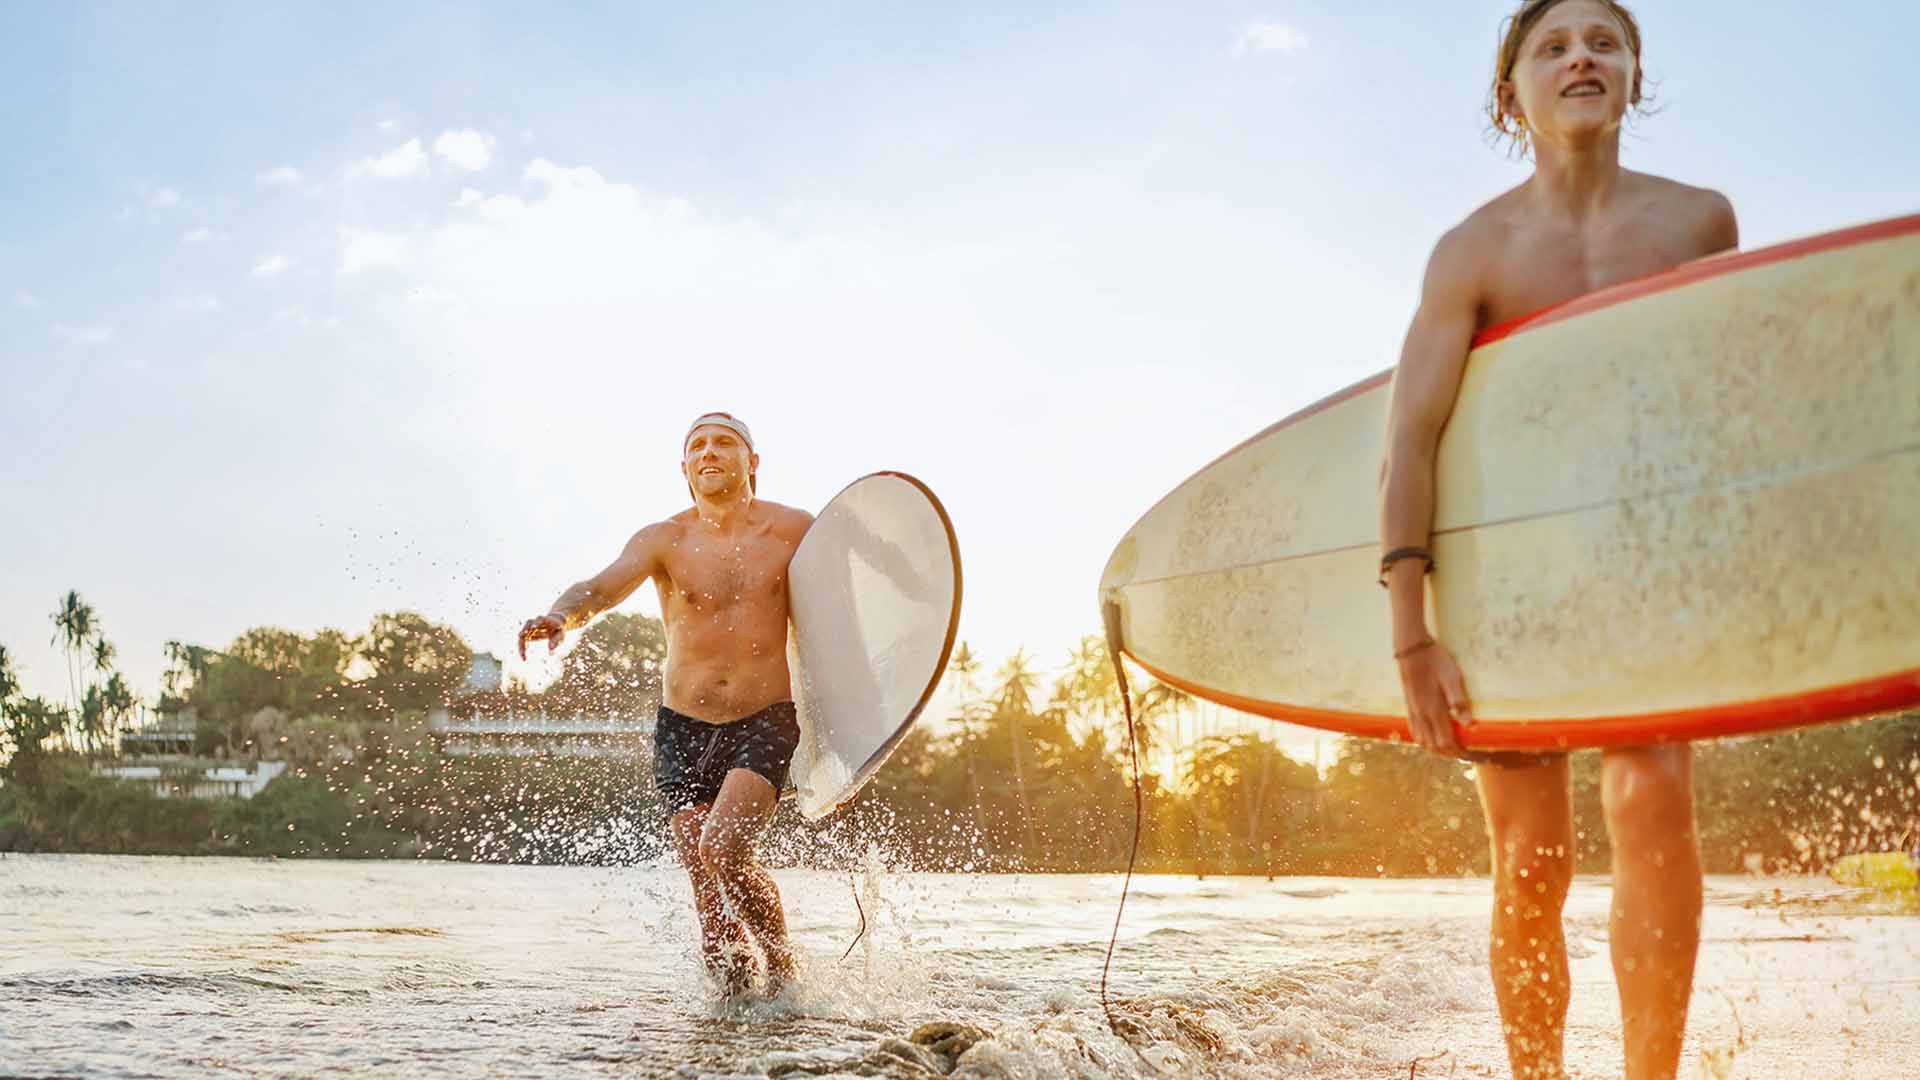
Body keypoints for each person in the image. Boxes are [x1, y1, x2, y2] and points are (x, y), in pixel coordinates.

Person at [1377, 2, 1738, 1077]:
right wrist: (1412, 635)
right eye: (1554, 46)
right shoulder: (1472, 252)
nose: (1582, 56)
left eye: (1604, 42)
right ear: (1511, 95)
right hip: (1511, 577)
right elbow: (1410, 440)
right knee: (1531, 857)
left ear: (1634, 77)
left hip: (1642, 564)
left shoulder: (1700, 223)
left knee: (1652, 800)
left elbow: (1727, 408)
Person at [519, 412, 814, 996]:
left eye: (724, 442)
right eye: (697, 445)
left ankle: (786, 977)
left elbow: (848, 599)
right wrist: (560, 616)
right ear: (684, 468)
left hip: (765, 720)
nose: (710, 452)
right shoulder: (664, 539)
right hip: (682, 728)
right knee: (710, 906)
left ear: (752, 460)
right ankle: (732, 1020)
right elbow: (599, 589)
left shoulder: (795, 529)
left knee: (723, 848)